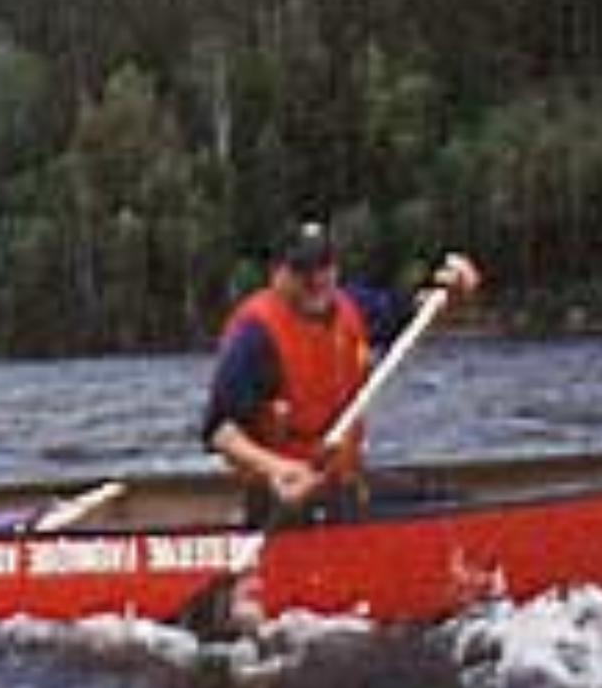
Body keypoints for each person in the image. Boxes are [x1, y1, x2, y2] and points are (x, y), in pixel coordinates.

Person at [201, 221, 483, 525]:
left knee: (449, 503)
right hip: (282, 498)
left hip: (343, 484)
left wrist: (451, 292)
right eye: (302, 270)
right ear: (277, 273)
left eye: (324, 266)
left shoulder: (354, 307)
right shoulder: (255, 335)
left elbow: (418, 310)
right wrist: (278, 469)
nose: (317, 279)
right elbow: (221, 433)